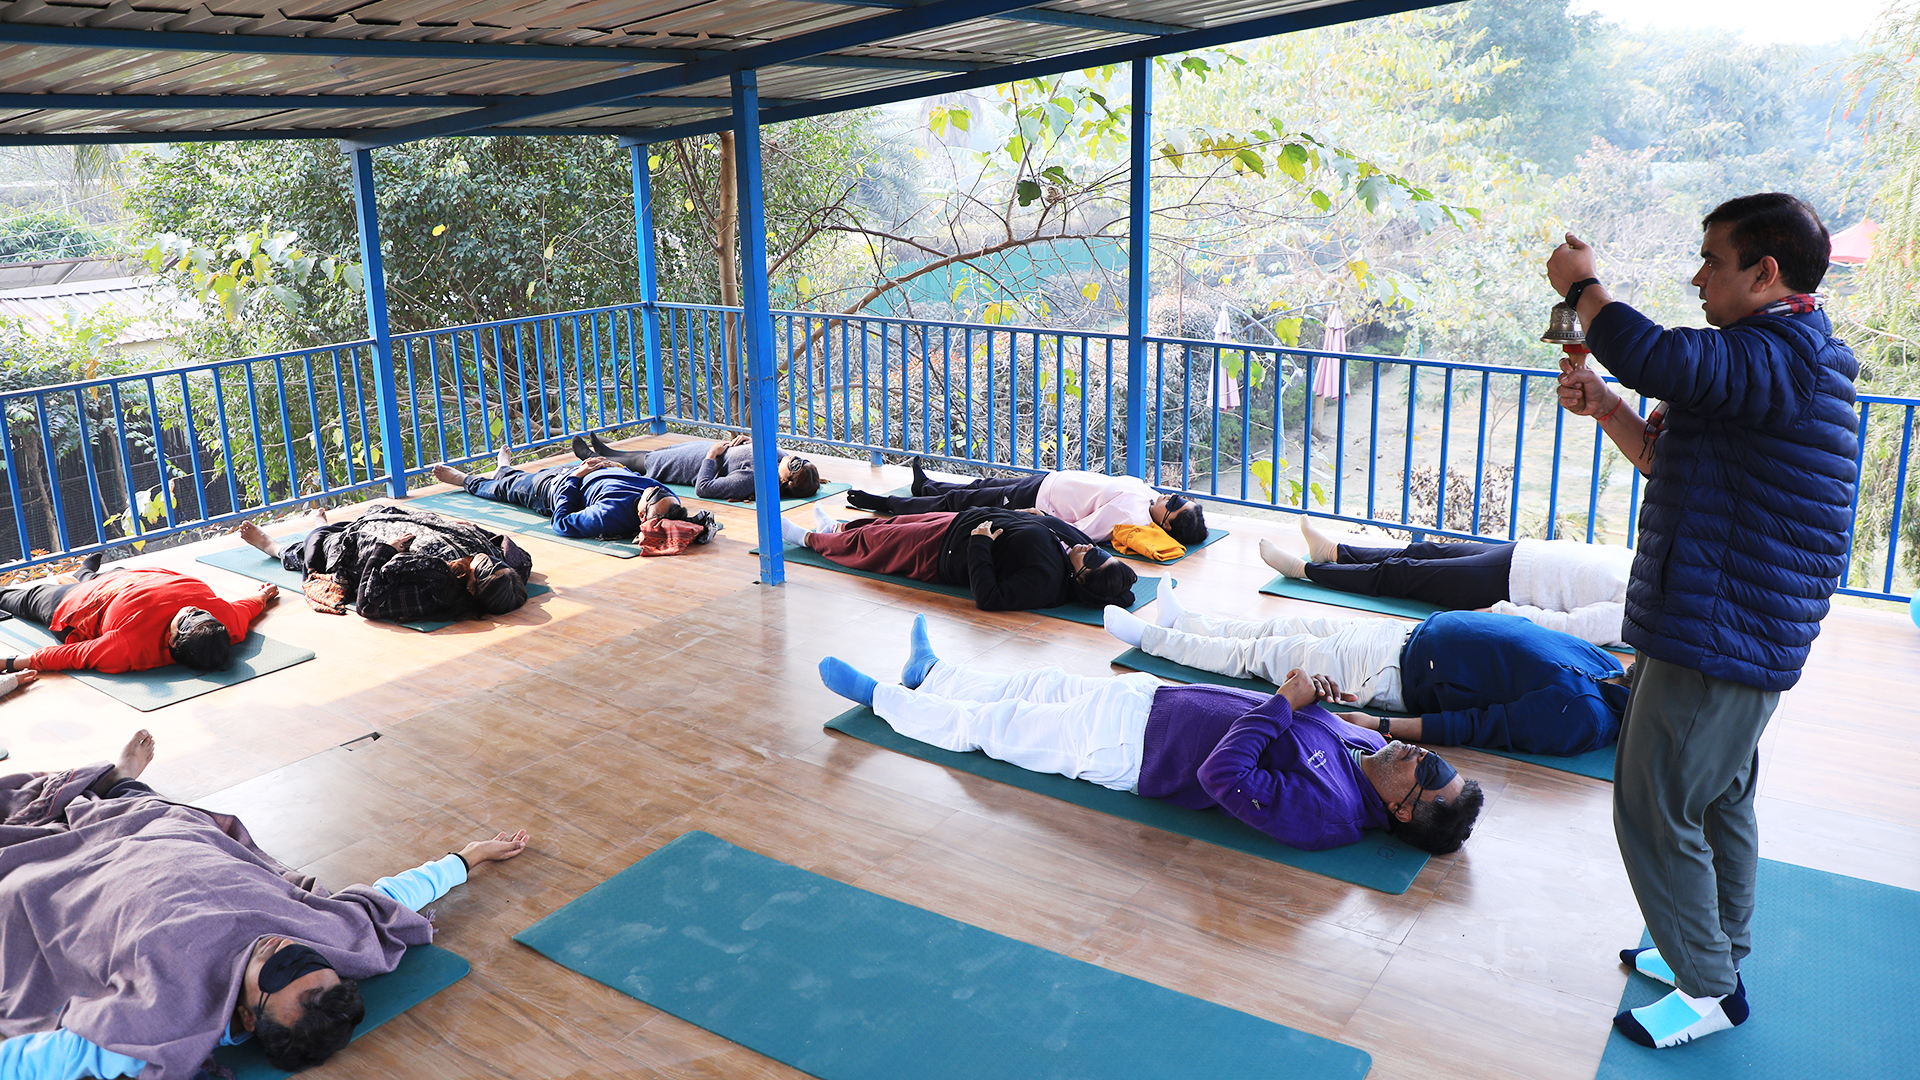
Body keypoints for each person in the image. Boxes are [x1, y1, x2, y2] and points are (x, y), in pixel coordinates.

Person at [1548, 193, 1859, 1048]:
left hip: (1723, 627)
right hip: (1718, 617)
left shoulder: (1780, 353)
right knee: (1717, 796)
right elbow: (1672, 465)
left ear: (1765, 274)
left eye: (1712, 262)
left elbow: (1656, 353)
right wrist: (1610, 408)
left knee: (1652, 804)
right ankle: (1714, 950)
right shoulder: (1771, 362)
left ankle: (1711, 988)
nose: (1697, 277)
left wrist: (1587, 289)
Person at [0, 730, 531, 1080]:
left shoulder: (161, 1023)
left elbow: (38, 1061)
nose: (283, 947)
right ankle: (124, 780)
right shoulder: (335, 941)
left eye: (277, 968)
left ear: (250, 1021)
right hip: (170, 833)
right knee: (154, 808)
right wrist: (468, 858)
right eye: (305, 958)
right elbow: (387, 898)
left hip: (82, 874)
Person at [817, 616, 1483, 854]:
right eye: (1433, 760)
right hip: (1156, 702)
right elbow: (1310, 721)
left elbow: (1223, 779)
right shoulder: (1369, 754)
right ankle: (932, 674)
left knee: (991, 729)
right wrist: (1325, 704)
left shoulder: (1331, 812)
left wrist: (1285, 703)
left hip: (1132, 752)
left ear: (1403, 811)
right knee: (1033, 688)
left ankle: (881, 699)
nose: (1421, 756)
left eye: (1426, 774)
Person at [1104, 584, 1629, 757]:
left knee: (1258, 659)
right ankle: (1184, 620)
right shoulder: (1609, 667)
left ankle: (1152, 638)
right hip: (1402, 638)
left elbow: (1473, 728)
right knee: (1279, 631)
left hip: (1392, 676)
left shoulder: (1582, 717)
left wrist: (1377, 728)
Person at [1258, 517, 1635, 648]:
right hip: (1520, 553)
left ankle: (1304, 571)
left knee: (1403, 575)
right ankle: (1334, 551)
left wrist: (1499, 612)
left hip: (1506, 586)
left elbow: (1570, 627)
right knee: (1423, 552)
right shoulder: (1644, 565)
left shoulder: (1634, 610)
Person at [779, 503, 1138, 612]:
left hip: (944, 553)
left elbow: (990, 598)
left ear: (1080, 581)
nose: (1091, 550)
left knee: (877, 544)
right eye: (1101, 552)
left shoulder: (1045, 584)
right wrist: (1035, 517)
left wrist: (980, 544)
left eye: (1093, 561)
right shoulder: (1079, 548)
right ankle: (837, 527)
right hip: (959, 524)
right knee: (889, 523)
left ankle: (808, 539)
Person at [239, 505, 534, 623]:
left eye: (484, 566)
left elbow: (368, 603)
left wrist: (385, 550)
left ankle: (274, 547)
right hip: (404, 530)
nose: (486, 559)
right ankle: (321, 527)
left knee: (319, 544)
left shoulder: (433, 586)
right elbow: (515, 554)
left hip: (369, 555)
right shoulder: (502, 569)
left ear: (472, 586)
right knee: (353, 523)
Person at [0, 555, 276, 675]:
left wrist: (11, 663)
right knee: (113, 571)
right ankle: (84, 573)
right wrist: (264, 594)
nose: (192, 610)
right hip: (133, 578)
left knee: (24, 597)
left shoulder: (129, 647)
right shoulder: (223, 622)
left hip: (82, 603)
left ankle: (82, 578)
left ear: (171, 641)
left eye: (187, 620)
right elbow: (248, 607)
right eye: (200, 614)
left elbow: (72, 656)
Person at [843, 458, 1208, 546]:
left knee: (962, 504)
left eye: (1174, 502)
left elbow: (1080, 532)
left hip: (1038, 500)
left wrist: (1037, 518)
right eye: (1179, 495)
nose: (1170, 494)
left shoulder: (1130, 515)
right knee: (979, 485)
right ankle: (926, 486)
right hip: (1046, 481)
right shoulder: (1146, 497)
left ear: (1168, 524)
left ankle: (887, 504)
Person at [432, 444, 689, 540]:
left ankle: (467, 480)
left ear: (643, 515)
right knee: (518, 479)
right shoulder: (668, 499)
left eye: (650, 498)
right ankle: (505, 469)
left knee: (504, 489)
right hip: (583, 471)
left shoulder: (608, 515)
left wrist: (575, 478)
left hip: (555, 489)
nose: (651, 490)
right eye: (656, 492)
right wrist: (616, 466)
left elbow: (562, 522)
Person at [572, 431, 821, 501]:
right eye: (801, 459)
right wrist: (748, 442)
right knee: (648, 455)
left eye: (796, 464)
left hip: (693, 464)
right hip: (696, 450)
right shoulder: (777, 459)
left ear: (785, 481)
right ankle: (607, 451)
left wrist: (712, 457)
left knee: (644, 463)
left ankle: (595, 462)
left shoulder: (753, 480)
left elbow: (704, 487)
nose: (793, 458)